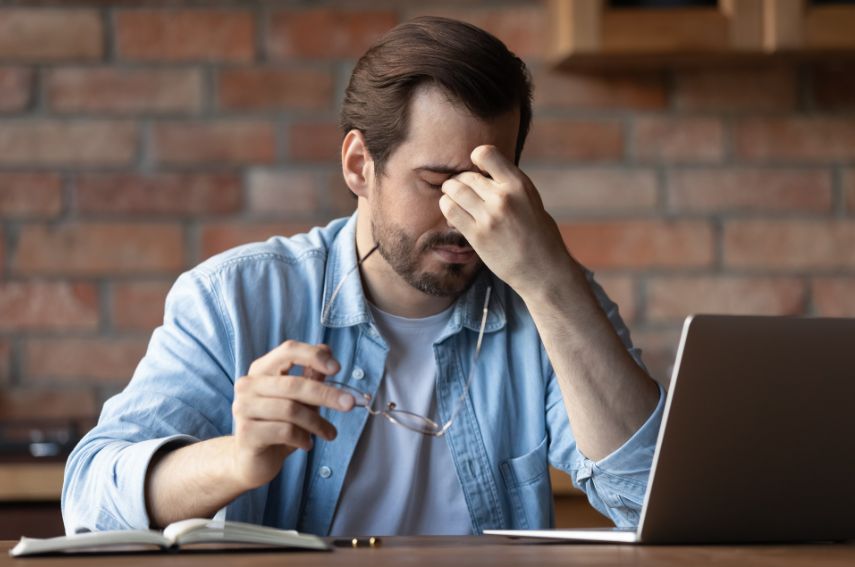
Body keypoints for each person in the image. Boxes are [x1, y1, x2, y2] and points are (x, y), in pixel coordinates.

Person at [62, 16, 663, 536]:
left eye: (489, 184)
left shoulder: (550, 296)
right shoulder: (235, 299)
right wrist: (237, 461)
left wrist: (550, 283)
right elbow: (88, 500)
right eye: (437, 182)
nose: (465, 215)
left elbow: (646, 500)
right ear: (358, 165)